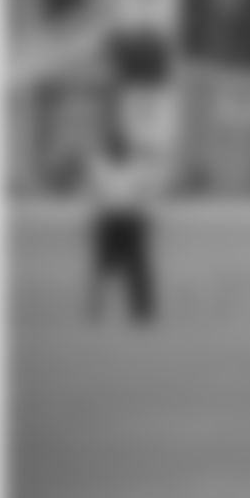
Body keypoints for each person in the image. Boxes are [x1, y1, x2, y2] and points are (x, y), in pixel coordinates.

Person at [86, 94, 161, 326]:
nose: (118, 148)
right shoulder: (100, 165)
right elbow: (96, 194)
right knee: (101, 267)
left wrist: (147, 217)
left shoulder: (138, 166)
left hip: (132, 221)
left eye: (121, 144)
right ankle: (95, 308)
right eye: (115, 144)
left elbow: (146, 194)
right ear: (110, 146)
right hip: (109, 220)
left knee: (137, 268)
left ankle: (142, 311)